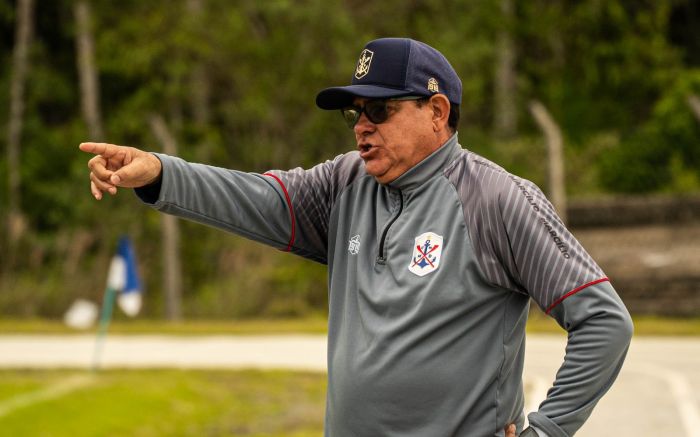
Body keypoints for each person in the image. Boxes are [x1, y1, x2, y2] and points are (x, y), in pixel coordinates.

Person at [80, 38, 633, 437]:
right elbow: (259, 198)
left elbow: (604, 322)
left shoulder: (495, 199)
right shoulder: (346, 182)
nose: (360, 125)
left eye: (378, 109)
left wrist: (547, 431)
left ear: (436, 112)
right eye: (354, 111)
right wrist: (159, 171)